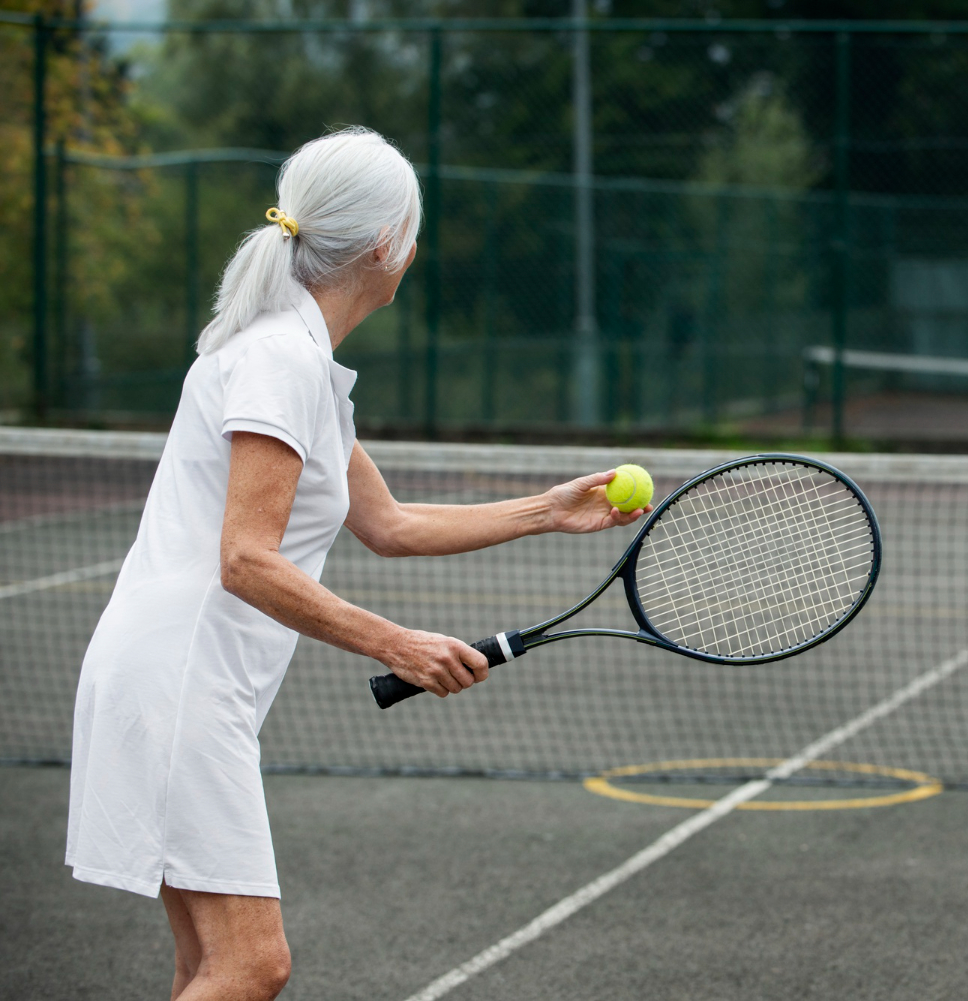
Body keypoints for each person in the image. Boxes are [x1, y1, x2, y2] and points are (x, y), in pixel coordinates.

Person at [64, 128, 647, 1001]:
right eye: (414, 230)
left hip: (170, 674)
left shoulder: (295, 356)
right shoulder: (277, 358)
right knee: (252, 966)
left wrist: (543, 511)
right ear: (385, 246)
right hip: (179, 681)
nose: (416, 249)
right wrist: (396, 641)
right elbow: (246, 560)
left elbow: (390, 523)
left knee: (206, 968)